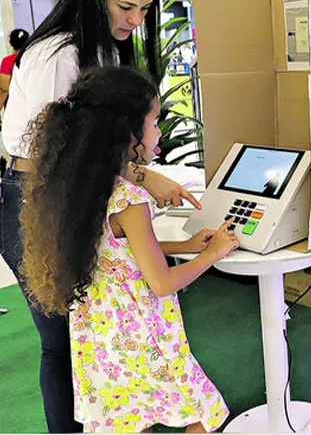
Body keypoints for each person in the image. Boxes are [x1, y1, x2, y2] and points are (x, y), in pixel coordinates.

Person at [1, 0, 202, 432]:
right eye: (126, 7)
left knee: (95, 332)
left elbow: (100, 145)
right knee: (63, 338)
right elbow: (65, 152)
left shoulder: (105, 48)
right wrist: (140, 177)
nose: (135, 20)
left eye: (145, 9)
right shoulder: (56, 56)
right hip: (36, 196)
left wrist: (140, 175)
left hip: (78, 193)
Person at [19, 66, 237, 433]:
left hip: (102, 341)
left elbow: (119, 253)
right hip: (143, 337)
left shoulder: (83, 189)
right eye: (154, 122)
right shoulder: (129, 200)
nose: (159, 132)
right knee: (202, 411)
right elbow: (161, 282)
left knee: (132, 419)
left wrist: (184, 245)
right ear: (127, 130)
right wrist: (211, 254)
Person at [0, 29, 29, 107]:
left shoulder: (7, 61)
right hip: (32, 101)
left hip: (15, 104)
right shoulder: (33, 58)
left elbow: (4, 88)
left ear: (11, 43)